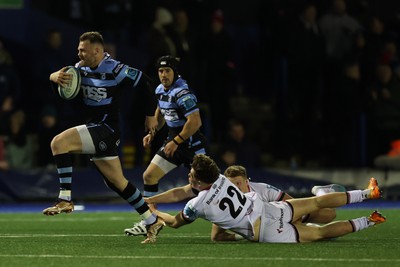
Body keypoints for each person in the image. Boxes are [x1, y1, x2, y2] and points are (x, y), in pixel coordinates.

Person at [43, 31, 163, 244]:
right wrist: (53, 77)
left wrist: (150, 115)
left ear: (97, 50)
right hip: (96, 127)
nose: (78, 53)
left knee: (59, 143)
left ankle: (64, 199)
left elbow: (146, 83)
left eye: (83, 50)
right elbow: (64, 92)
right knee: (117, 183)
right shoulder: (79, 69)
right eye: (78, 49)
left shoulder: (115, 69)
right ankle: (151, 219)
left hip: (107, 128)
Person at [154, 154, 385, 243]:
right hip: (268, 209)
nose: (188, 176)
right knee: (317, 203)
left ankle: (371, 220)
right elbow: (192, 186)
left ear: (197, 181)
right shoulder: (223, 179)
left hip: (265, 231)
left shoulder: (197, 204)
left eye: (191, 175)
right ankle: (366, 193)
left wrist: (153, 212)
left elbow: (174, 222)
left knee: (321, 233)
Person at [124, 164, 345, 238]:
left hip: (275, 211)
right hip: (254, 217)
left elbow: (290, 203)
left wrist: (150, 209)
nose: (236, 187)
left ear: (247, 181)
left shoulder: (262, 189)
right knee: (218, 237)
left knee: (328, 214)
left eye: (239, 183)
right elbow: (181, 192)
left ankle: (321, 195)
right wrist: (152, 199)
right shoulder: (219, 185)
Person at [124, 55, 208, 233]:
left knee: (209, 188)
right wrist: (152, 133)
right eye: (160, 71)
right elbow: (161, 112)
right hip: (173, 142)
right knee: (149, 176)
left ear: (175, 72)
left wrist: (177, 141)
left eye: (167, 71)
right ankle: (151, 221)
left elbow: (195, 122)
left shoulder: (183, 93)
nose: (163, 75)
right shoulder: (160, 89)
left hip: (191, 145)